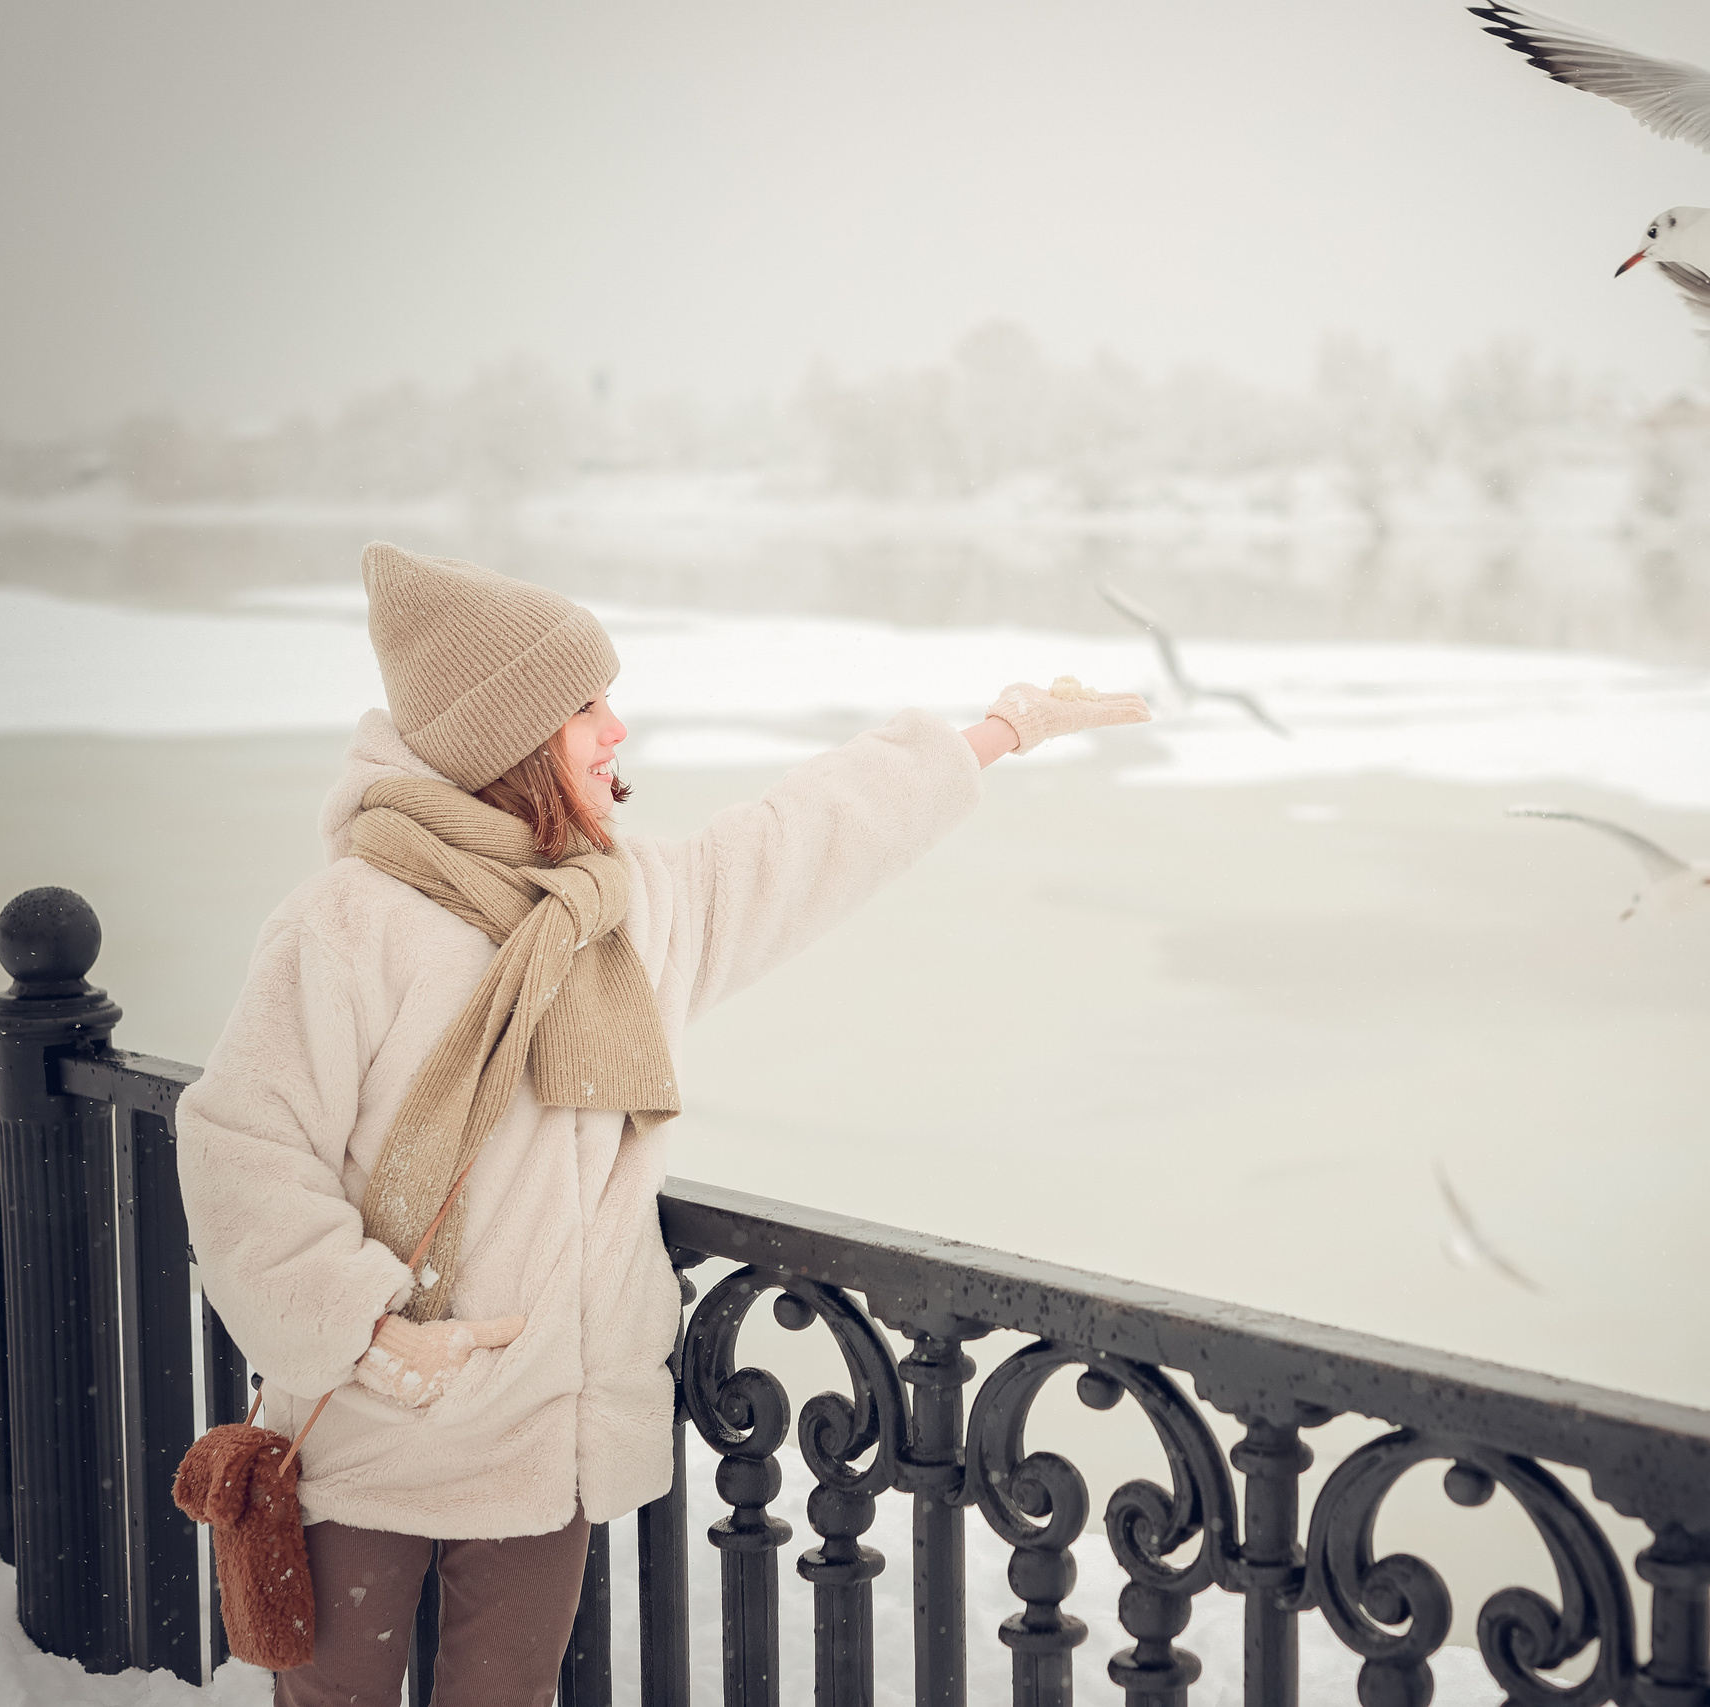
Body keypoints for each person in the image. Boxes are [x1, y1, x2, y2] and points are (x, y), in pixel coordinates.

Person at [178, 542, 1146, 1707]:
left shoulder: (623, 910)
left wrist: (997, 731)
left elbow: (805, 839)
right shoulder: (346, 925)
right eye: (585, 706)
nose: (616, 729)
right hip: (374, 1433)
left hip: (542, 1450)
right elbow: (243, 1151)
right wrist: (370, 1333)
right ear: (510, 736)